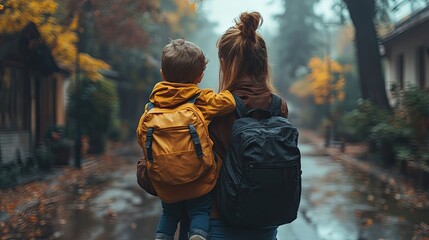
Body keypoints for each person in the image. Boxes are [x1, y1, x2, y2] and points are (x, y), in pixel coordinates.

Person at [177, 11, 290, 240]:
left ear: (226, 63)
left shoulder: (216, 109)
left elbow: (189, 168)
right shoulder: (279, 107)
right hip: (265, 227)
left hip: (218, 225)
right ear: (262, 61)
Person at [136, 39, 235, 240]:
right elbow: (229, 102)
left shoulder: (151, 108)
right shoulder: (200, 100)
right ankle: (198, 234)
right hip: (198, 180)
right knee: (200, 210)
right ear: (199, 76)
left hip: (165, 183)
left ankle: (163, 235)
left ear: (163, 73)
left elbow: (141, 137)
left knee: (170, 212)